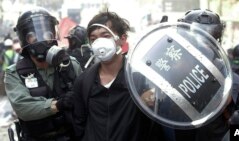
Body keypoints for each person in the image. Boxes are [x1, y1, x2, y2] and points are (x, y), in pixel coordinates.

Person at [72, 11, 165, 141]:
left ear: (122, 39)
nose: (99, 43)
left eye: (105, 36)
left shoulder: (140, 78)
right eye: (93, 39)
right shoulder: (84, 81)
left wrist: (152, 100)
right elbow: (79, 123)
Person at [4, 7, 82, 141]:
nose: (41, 40)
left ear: (54, 35)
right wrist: (58, 105)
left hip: (72, 135)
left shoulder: (70, 65)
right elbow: (24, 108)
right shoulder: (14, 74)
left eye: (47, 34)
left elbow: (87, 97)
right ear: (24, 39)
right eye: (32, 37)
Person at [177, 9, 239, 141]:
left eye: (210, 36)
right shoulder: (175, 70)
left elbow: (223, 103)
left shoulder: (227, 73)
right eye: (198, 38)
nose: (203, 43)